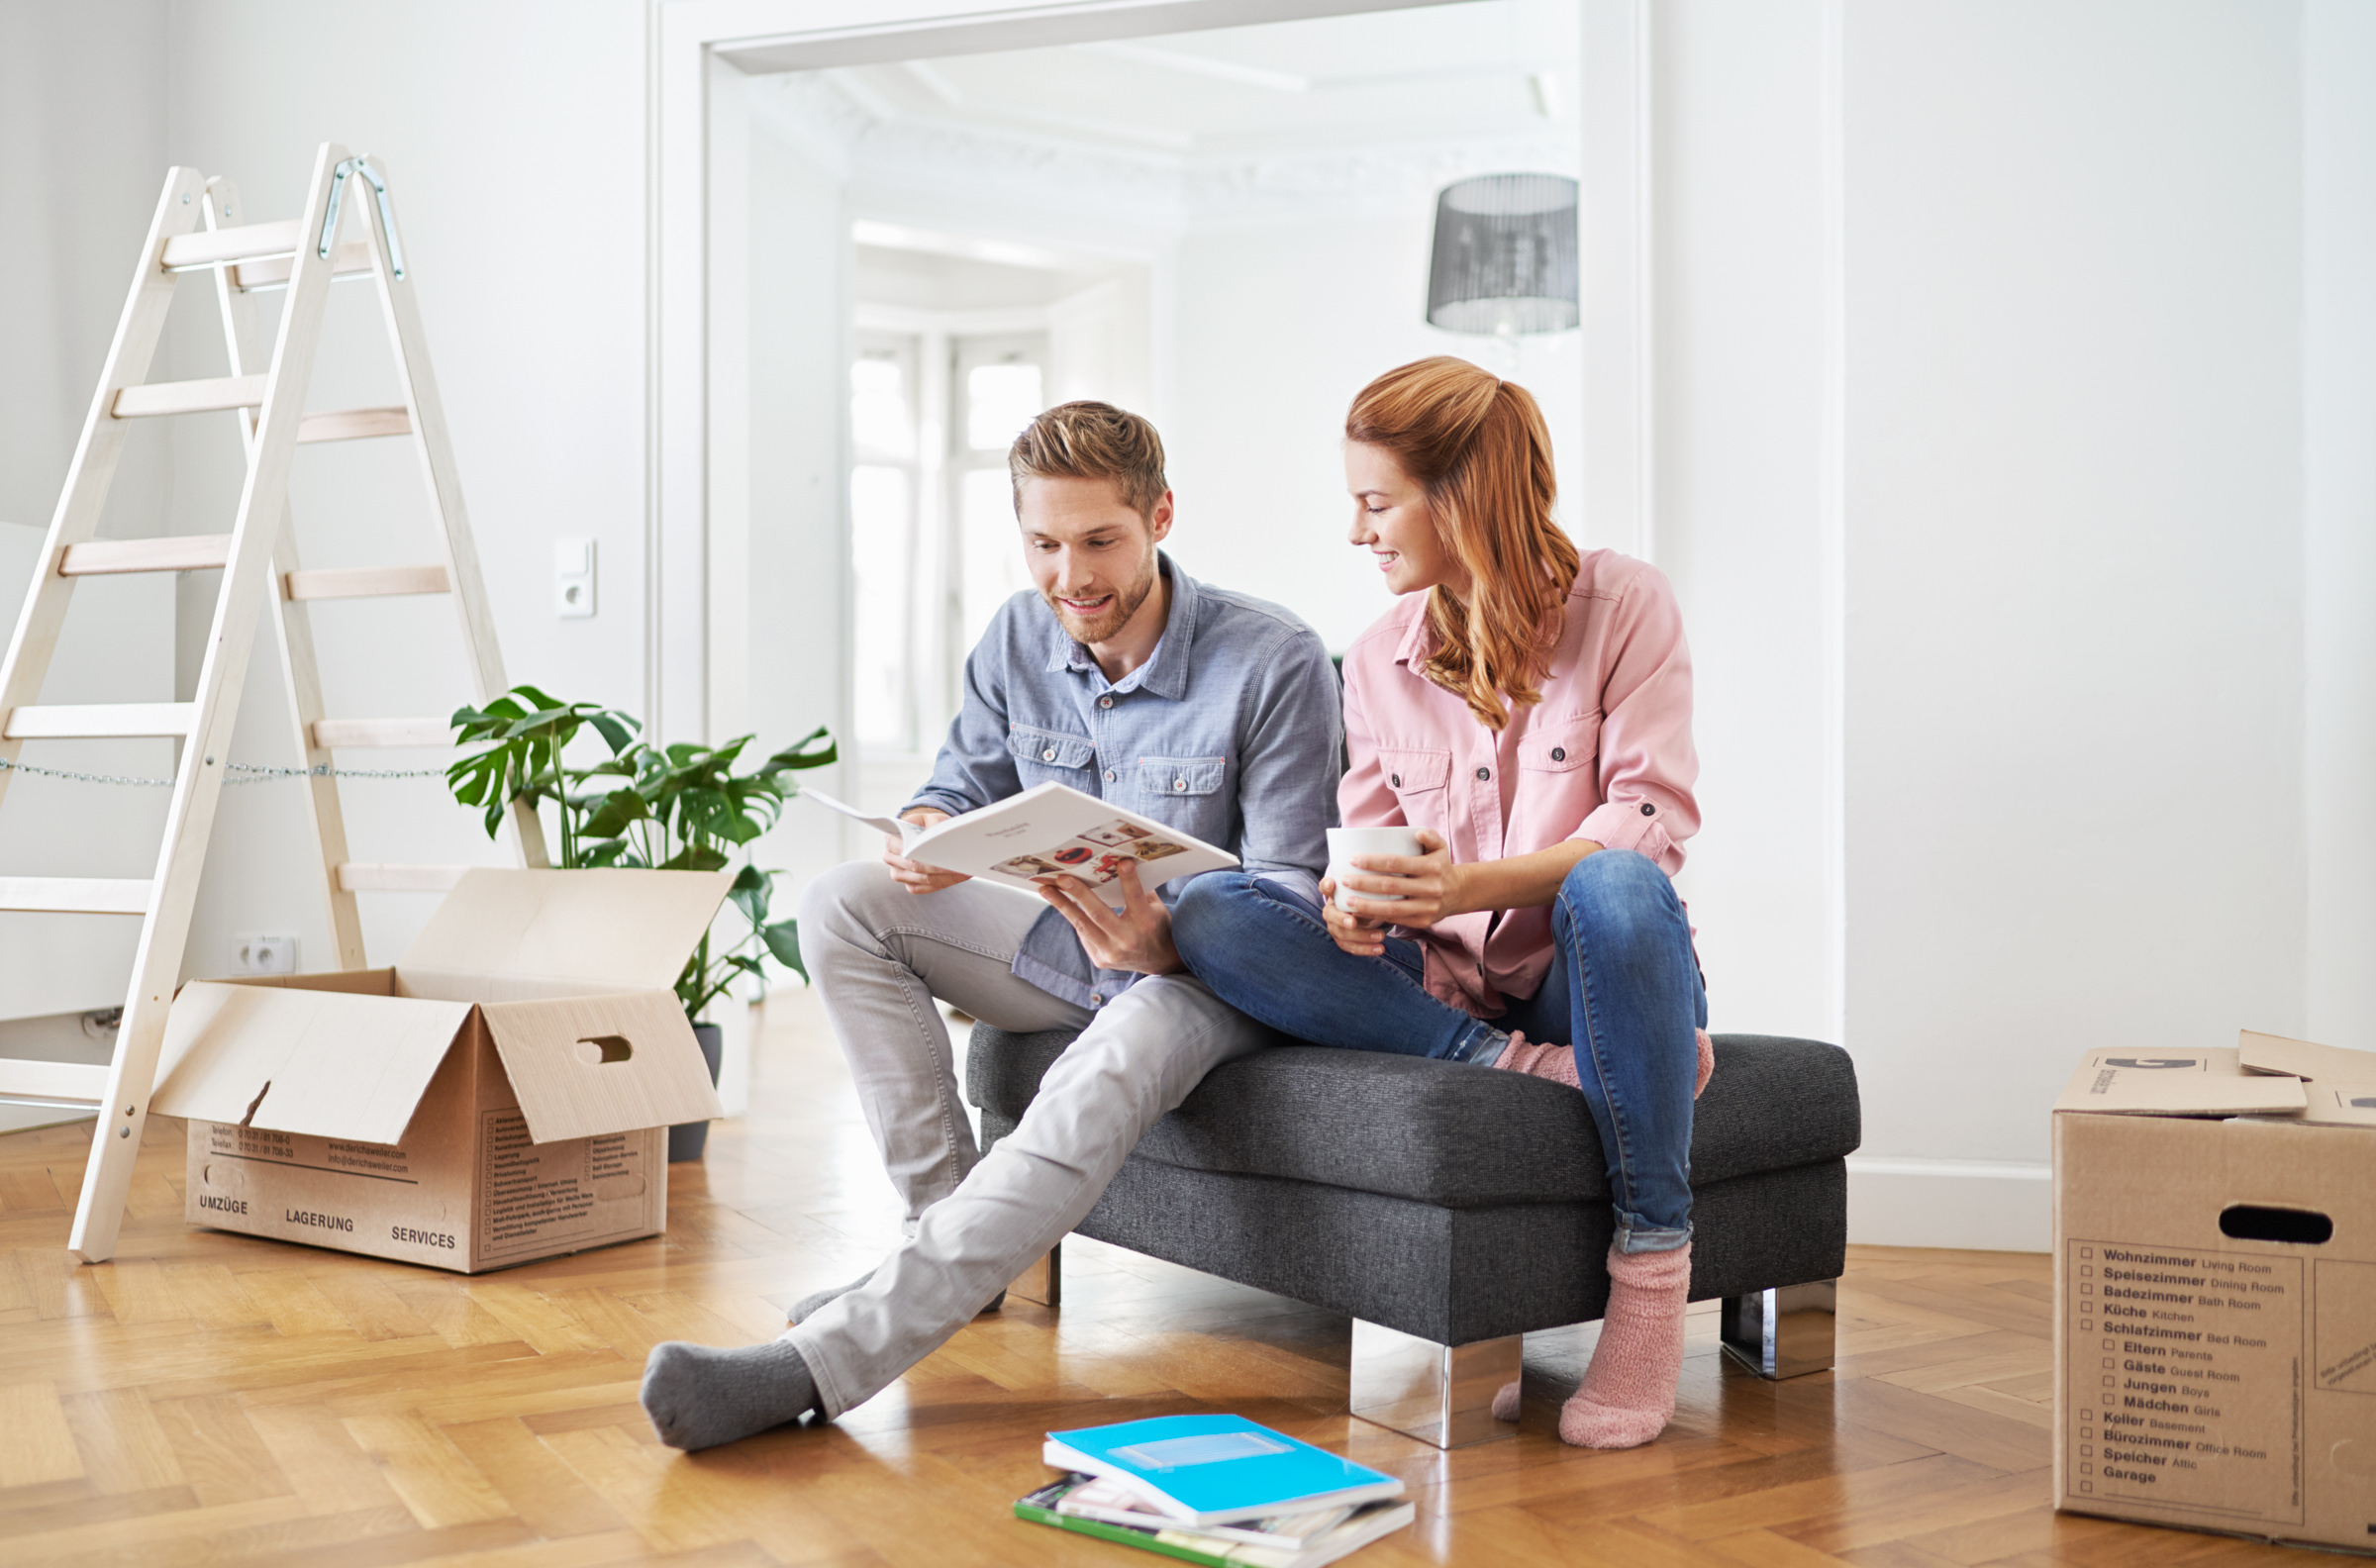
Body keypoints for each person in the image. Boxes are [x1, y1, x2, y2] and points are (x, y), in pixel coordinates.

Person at [639, 401, 1340, 1450]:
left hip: (1210, 985)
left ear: (1161, 515)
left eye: (1100, 541)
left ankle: (819, 1368)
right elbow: (955, 785)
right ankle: (947, 1249)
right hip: (1067, 945)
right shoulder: (1020, 630)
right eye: (1044, 544)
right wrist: (925, 832)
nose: (1072, 577)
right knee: (839, 903)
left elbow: (1288, 897)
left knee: (1123, 1043)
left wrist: (1168, 944)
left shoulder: (1274, 657)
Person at [1169, 356, 1713, 1450]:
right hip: (1445, 991)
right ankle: (1515, 1069)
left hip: (1582, 970)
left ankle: (1650, 1277)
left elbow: (1651, 817)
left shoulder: (1625, 603)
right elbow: (1364, 842)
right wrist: (1354, 906)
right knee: (1210, 909)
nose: (1358, 532)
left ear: (1460, 492)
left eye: (1376, 502)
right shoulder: (1374, 656)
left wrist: (1465, 886)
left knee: (1615, 878)